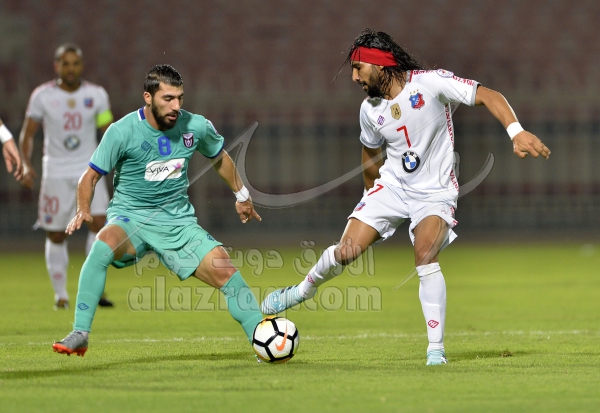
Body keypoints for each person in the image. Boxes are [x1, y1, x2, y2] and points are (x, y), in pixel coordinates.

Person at [261, 28, 551, 365]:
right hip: (393, 187)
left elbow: (488, 95)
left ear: (379, 64)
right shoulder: (369, 110)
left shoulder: (430, 83)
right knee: (346, 251)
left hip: (435, 193)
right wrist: (370, 197)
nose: (354, 77)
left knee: (425, 254)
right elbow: (370, 154)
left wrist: (516, 132)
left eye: (358, 68)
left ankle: (435, 350)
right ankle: (300, 291)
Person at [52, 64, 264, 358]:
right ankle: (80, 333)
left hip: (177, 222)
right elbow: (89, 177)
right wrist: (83, 208)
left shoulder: (195, 126)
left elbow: (219, 157)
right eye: (168, 99)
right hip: (131, 219)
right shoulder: (122, 131)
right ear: (148, 97)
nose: (176, 106)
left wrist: (241, 194)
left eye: (179, 98)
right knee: (101, 246)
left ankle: (264, 339)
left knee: (226, 272)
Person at [19, 43, 114, 309]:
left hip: (90, 168)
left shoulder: (97, 95)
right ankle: (61, 295)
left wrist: (114, 159)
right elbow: (28, 133)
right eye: (65, 63)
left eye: (75, 63)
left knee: (99, 225)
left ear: (82, 66)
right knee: (56, 234)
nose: (70, 68)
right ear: (57, 66)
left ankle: (94, 290)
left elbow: (108, 131)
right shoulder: (42, 96)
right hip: (56, 172)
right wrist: (25, 163)